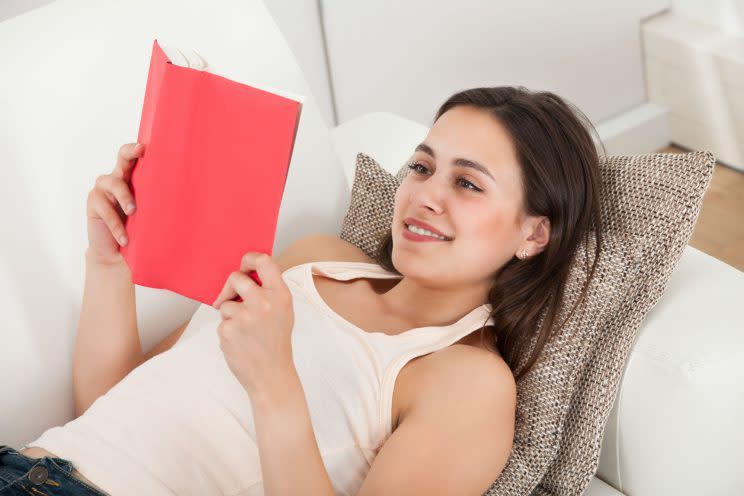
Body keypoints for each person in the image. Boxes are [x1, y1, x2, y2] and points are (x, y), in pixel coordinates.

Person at [1, 86, 603, 495]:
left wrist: (273, 382)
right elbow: (109, 404)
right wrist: (109, 265)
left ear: (533, 233)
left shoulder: (466, 381)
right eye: (421, 167)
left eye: (468, 184)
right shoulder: (314, 259)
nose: (424, 194)